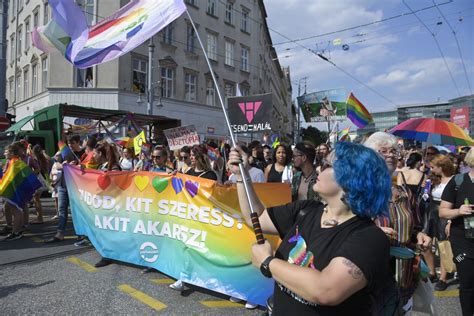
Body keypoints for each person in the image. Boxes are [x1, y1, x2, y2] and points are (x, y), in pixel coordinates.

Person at [228, 141, 393, 314]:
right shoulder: (306, 210)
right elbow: (257, 218)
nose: (319, 168)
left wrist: (268, 262)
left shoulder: (369, 237)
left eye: (327, 165)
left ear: (351, 180)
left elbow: (326, 290)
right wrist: (242, 175)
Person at [364, 132, 431, 314]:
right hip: (373, 278)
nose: (391, 155)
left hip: (404, 276)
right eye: (384, 151)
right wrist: (374, 233)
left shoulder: (404, 192)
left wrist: (420, 235)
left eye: (394, 151)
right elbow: (345, 228)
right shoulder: (360, 191)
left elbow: (416, 226)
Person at [440, 147, 474, 316]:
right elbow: (443, 211)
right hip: (464, 242)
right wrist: (459, 211)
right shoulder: (458, 182)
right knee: (467, 283)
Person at [45, 135, 83, 244]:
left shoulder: (83, 153)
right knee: (62, 210)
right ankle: (60, 233)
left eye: (72, 143)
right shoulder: (64, 151)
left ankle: (81, 234)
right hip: (63, 185)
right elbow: (55, 163)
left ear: (78, 142)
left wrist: (76, 166)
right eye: (68, 143)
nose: (70, 146)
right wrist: (63, 165)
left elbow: (86, 167)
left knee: (77, 211)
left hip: (76, 187)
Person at [426, 154, 455, 291]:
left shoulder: (454, 180)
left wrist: (450, 220)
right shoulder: (432, 179)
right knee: (426, 243)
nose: (430, 169)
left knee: (443, 246)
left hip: (445, 214)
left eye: (433, 167)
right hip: (432, 213)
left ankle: (443, 277)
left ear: (441, 167)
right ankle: (432, 271)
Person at [92, 142, 122, 268]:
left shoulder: (114, 167)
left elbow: (116, 185)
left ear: (100, 154)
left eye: (95, 153)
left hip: (112, 204)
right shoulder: (101, 166)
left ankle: (108, 255)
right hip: (103, 204)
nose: (93, 155)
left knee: (109, 230)